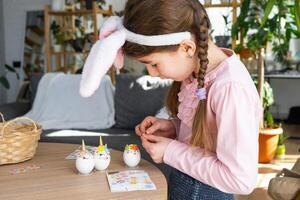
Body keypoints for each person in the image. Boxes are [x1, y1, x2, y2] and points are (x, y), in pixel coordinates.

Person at [79, 0, 262, 199]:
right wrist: (174, 127)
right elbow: (209, 135)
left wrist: (171, 151)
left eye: (154, 64)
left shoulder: (230, 88)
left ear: (186, 48)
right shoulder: (194, 72)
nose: (152, 73)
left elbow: (240, 179)